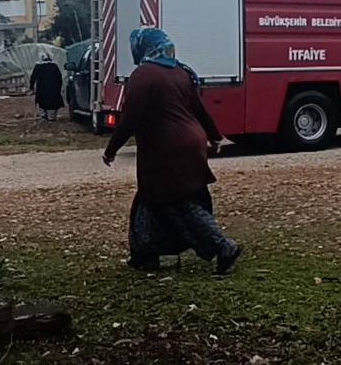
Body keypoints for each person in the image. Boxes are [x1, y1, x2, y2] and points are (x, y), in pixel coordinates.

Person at [102, 28, 242, 275]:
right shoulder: (180, 71)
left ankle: (223, 246)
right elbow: (199, 109)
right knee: (149, 198)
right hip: (188, 143)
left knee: (179, 204)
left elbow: (131, 118)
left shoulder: (143, 75)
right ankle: (144, 253)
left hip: (166, 149)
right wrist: (214, 136)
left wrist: (111, 149)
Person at [29, 54, 64, 121]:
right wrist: (59, 88)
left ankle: (44, 116)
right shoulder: (54, 66)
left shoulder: (38, 66)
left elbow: (33, 77)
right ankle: (51, 117)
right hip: (53, 90)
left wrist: (31, 87)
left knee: (42, 102)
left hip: (42, 89)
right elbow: (59, 78)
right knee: (52, 104)